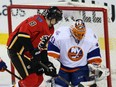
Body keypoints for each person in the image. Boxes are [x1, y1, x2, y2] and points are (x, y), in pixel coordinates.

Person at [7, 6, 62, 87]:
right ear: (50, 17)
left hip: (27, 53)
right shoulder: (37, 21)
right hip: (16, 50)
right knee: (31, 78)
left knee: (39, 78)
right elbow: (22, 35)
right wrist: (32, 51)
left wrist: (47, 63)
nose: (56, 22)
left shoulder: (50, 29)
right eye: (55, 19)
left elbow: (43, 47)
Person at [47, 19, 104, 87]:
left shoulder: (90, 37)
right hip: (61, 68)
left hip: (81, 69)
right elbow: (52, 54)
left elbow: (94, 56)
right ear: (71, 30)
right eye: (77, 33)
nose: (80, 36)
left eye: (82, 34)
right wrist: (51, 64)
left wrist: (95, 66)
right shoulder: (61, 35)